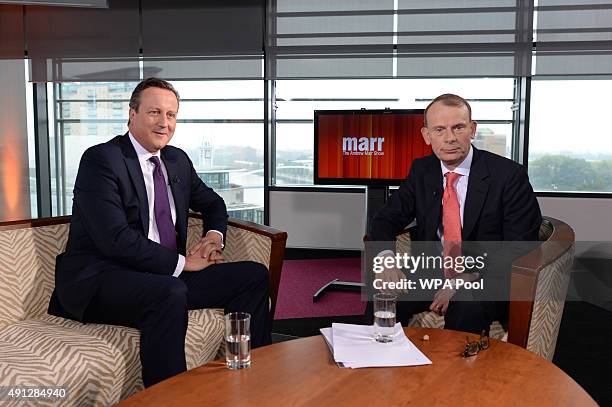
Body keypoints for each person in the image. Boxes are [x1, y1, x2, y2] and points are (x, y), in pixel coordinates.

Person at [48, 78, 271, 387]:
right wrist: (183, 264)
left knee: (254, 275)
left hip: (161, 274)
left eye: (171, 114)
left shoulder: (176, 160)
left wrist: (212, 237)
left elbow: (214, 203)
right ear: (132, 114)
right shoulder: (101, 160)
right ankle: (169, 398)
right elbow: (115, 239)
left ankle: (250, 377)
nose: (164, 123)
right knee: (170, 292)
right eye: (154, 112)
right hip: (103, 279)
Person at [368, 93, 542, 334]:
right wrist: (386, 259)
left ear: (472, 129)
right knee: (381, 297)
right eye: (439, 130)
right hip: (431, 272)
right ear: (426, 136)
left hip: (485, 276)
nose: (449, 138)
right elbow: (384, 220)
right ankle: (378, 365)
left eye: (458, 127)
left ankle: (455, 371)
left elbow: (520, 246)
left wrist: (463, 279)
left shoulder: (509, 176)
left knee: (465, 307)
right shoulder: (422, 171)